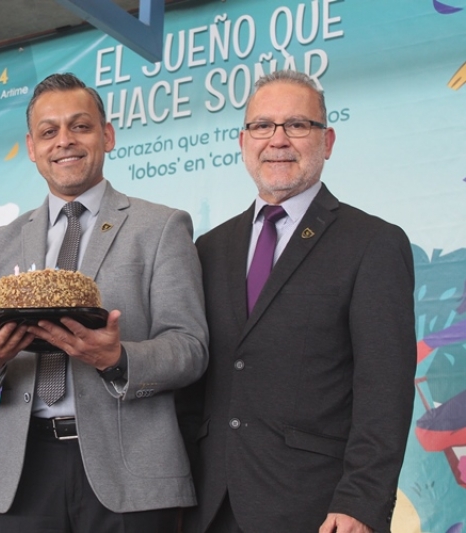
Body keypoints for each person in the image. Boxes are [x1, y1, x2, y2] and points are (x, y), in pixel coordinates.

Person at [0, 72, 208, 533]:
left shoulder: (161, 227)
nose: (64, 141)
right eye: (49, 132)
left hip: (130, 471)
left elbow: (190, 348)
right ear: (31, 148)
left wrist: (117, 358)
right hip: (26, 472)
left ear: (107, 135)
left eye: (80, 126)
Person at [176, 69, 416, 533]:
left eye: (297, 125)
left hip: (318, 509)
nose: (278, 139)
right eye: (263, 125)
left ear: (326, 141)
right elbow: (194, 384)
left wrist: (361, 503)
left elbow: (384, 389)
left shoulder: (372, 243)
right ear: (243, 141)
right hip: (208, 508)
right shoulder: (208, 248)